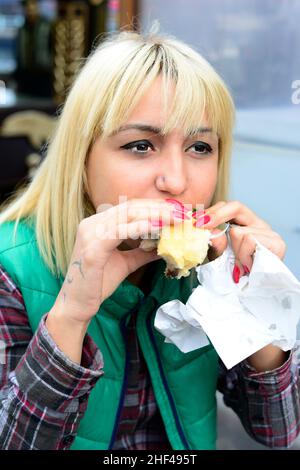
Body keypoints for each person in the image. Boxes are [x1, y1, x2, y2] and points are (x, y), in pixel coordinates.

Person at [0, 29, 299, 451]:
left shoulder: (209, 271)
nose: (176, 181)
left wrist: (261, 301)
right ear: (80, 158)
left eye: (199, 147)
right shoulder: (8, 268)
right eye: (140, 145)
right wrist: (70, 315)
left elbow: (279, 430)